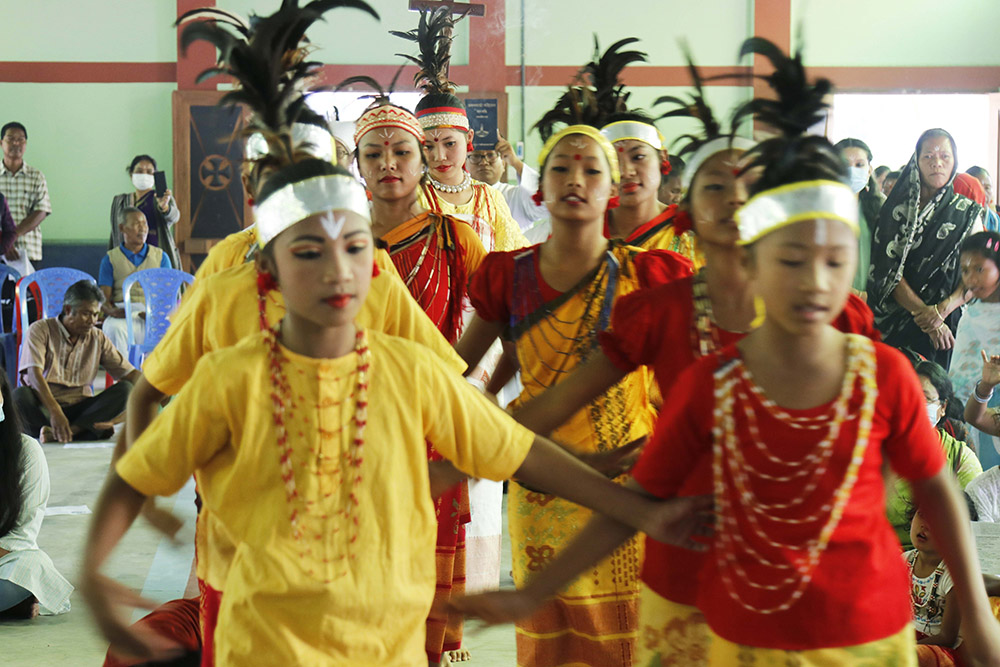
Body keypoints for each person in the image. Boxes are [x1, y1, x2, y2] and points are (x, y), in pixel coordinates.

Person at [453, 37, 1000, 666]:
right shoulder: (712, 378)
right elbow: (637, 508)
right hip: (733, 628)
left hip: (860, 630)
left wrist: (978, 616)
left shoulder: (883, 374)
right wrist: (531, 594)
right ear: (755, 261)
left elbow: (936, 487)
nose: (814, 281)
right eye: (791, 260)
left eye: (834, 261)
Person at [80, 156, 709, 666]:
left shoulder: (411, 373)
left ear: (375, 264)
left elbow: (517, 450)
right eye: (309, 253)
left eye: (356, 248)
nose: (339, 271)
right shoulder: (227, 377)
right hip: (262, 643)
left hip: (386, 647)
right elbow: (133, 477)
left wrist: (639, 509)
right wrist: (94, 569)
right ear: (266, 268)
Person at [455, 98, 694, 662]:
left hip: (630, 475)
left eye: (593, 170)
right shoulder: (509, 276)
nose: (575, 180)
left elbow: (686, 388)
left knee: (628, 642)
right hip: (539, 478)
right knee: (550, 646)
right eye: (561, 167)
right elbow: (452, 371)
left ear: (613, 187)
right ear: (539, 185)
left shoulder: (650, 277)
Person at [397, 7, 527, 254]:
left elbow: (513, 258)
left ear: (469, 138)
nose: (439, 156)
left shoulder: (490, 199)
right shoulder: (410, 199)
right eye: (427, 146)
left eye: (449, 143)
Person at [868, 128, 985, 368]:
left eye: (945, 156)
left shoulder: (967, 213)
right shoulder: (894, 211)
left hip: (946, 324)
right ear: (916, 161)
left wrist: (942, 311)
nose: (937, 163)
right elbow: (886, 269)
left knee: (933, 395)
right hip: (894, 320)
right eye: (928, 156)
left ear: (954, 162)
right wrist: (925, 315)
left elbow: (980, 272)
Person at [14, 281, 138, 443]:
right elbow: (34, 374)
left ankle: (64, 432)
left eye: (96, 315)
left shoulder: (97, 337)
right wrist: (55, 412)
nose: (92, 321)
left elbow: (129, 374)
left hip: (81, 408)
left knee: (125, 390)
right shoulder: (40, 330)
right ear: (68, 310)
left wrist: (157, 388)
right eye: (86, 314)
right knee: (20, 396)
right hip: (45, 407)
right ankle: (83, 431)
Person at [886, 360, 982, 549]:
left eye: (924, 398)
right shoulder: (875, 449)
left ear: (942, 407)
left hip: (930, 563)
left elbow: (971, 531)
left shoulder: (959, 459)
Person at [0, 372, 72, 619]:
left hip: (6, 560)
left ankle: (16, 599)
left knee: (27, 572)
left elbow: (22, 534)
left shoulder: (27, 453)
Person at [949, 231, 1000, 469]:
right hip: (972, 410)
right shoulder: (969, 316)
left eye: (980, 269)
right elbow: (959, 374)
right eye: (965, 270)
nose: (970, 279)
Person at [97, 207, 173, 358]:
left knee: (175, 330)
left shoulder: (161, 257)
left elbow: (168, 294)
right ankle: (125, 377)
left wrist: (155, 313)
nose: (143, 228)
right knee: (114, 328)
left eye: (144, 224)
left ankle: (156, 378)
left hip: (152, 317)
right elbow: (104, 298)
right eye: (136, 224)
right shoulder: (110, 259)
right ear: (122, 228)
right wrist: (112, 312)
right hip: (124, 316)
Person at [905, 506, 966, 664]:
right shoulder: (904, 560)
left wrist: (904, 649)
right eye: (922, 514)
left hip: (941, 648)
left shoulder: (954, 574)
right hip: (908, 636)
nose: (925, 525)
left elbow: (948, 638)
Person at [109, 155, 181, 270]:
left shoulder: (161, 198)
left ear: (155, 176)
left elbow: (174, 216)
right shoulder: (121, 201)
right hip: (126, 260)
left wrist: (164, 207)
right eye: (139, 171)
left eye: (149, 172)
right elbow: (115, 233)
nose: (144, 175)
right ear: (131, 174)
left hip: (155, 259)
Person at [835, 138, 884, 296]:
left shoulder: (881, 207)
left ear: (869, 170)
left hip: (867, 301)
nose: (852, 171)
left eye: (859, 165)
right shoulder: (817, 206)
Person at [468, 134, 548, 232]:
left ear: (503, 163)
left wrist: (515, 162)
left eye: (491, 155)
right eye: (476, 156)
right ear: (465, 162)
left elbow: (546, 202)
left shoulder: (518, 198)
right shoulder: (456, 198)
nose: (484, 162)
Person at [0, 122, 50, 274]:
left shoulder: (36, 176)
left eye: (21, 139)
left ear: (26, 144)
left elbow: (41, 211)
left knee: (27, 296)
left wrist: (11, 238)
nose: (16, 143)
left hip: (29, 251)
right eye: (11, 139)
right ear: (1, 143)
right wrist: (3, 243)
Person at [967, 166, 1000, 231]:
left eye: (987, 188)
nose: (983, 193)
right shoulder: (957, 215)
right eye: (978, 187)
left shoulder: (995, 220)